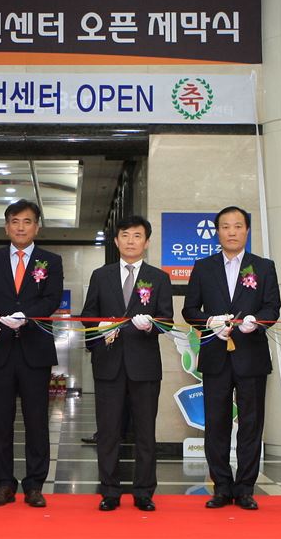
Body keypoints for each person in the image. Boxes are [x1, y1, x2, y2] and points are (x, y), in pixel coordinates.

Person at [181, 206, 280, 510]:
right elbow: (189, 310)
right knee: (216, 423)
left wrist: (256, 322)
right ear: (218, 232)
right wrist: (208, 321)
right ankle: (222, 487)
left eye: (238, 226)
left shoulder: (263, 267)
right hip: (215, 356)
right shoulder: (203, 267)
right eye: (225, 226)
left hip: (251, 356)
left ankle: (246, 488)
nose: (232, 232)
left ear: (247, 230)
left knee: (251, 423)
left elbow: (272, 308)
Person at [0, 199, 63, 508]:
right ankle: (3, 484)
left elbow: (51, 299)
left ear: (37, 227)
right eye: (14, 221)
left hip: (35, 350)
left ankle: (35, 485)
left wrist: (26, 316)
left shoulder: (51, 260)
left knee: (37, 421)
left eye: (27, 221)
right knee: (0, 422)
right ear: (6, 227)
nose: (20, 227)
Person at [81, 215, 172, 512]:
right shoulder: (101, 275)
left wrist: (151, 325)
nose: (131, 241)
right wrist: (100, 325)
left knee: (145, 432)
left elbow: (167, 320)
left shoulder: (158, 278)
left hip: (144, 366)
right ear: (116, 241)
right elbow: (87, 315)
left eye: (137, 236)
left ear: (147, 242)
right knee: (108, 431)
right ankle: (109, 490)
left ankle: (144, 492)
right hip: (108, 364)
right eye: (125, 235)